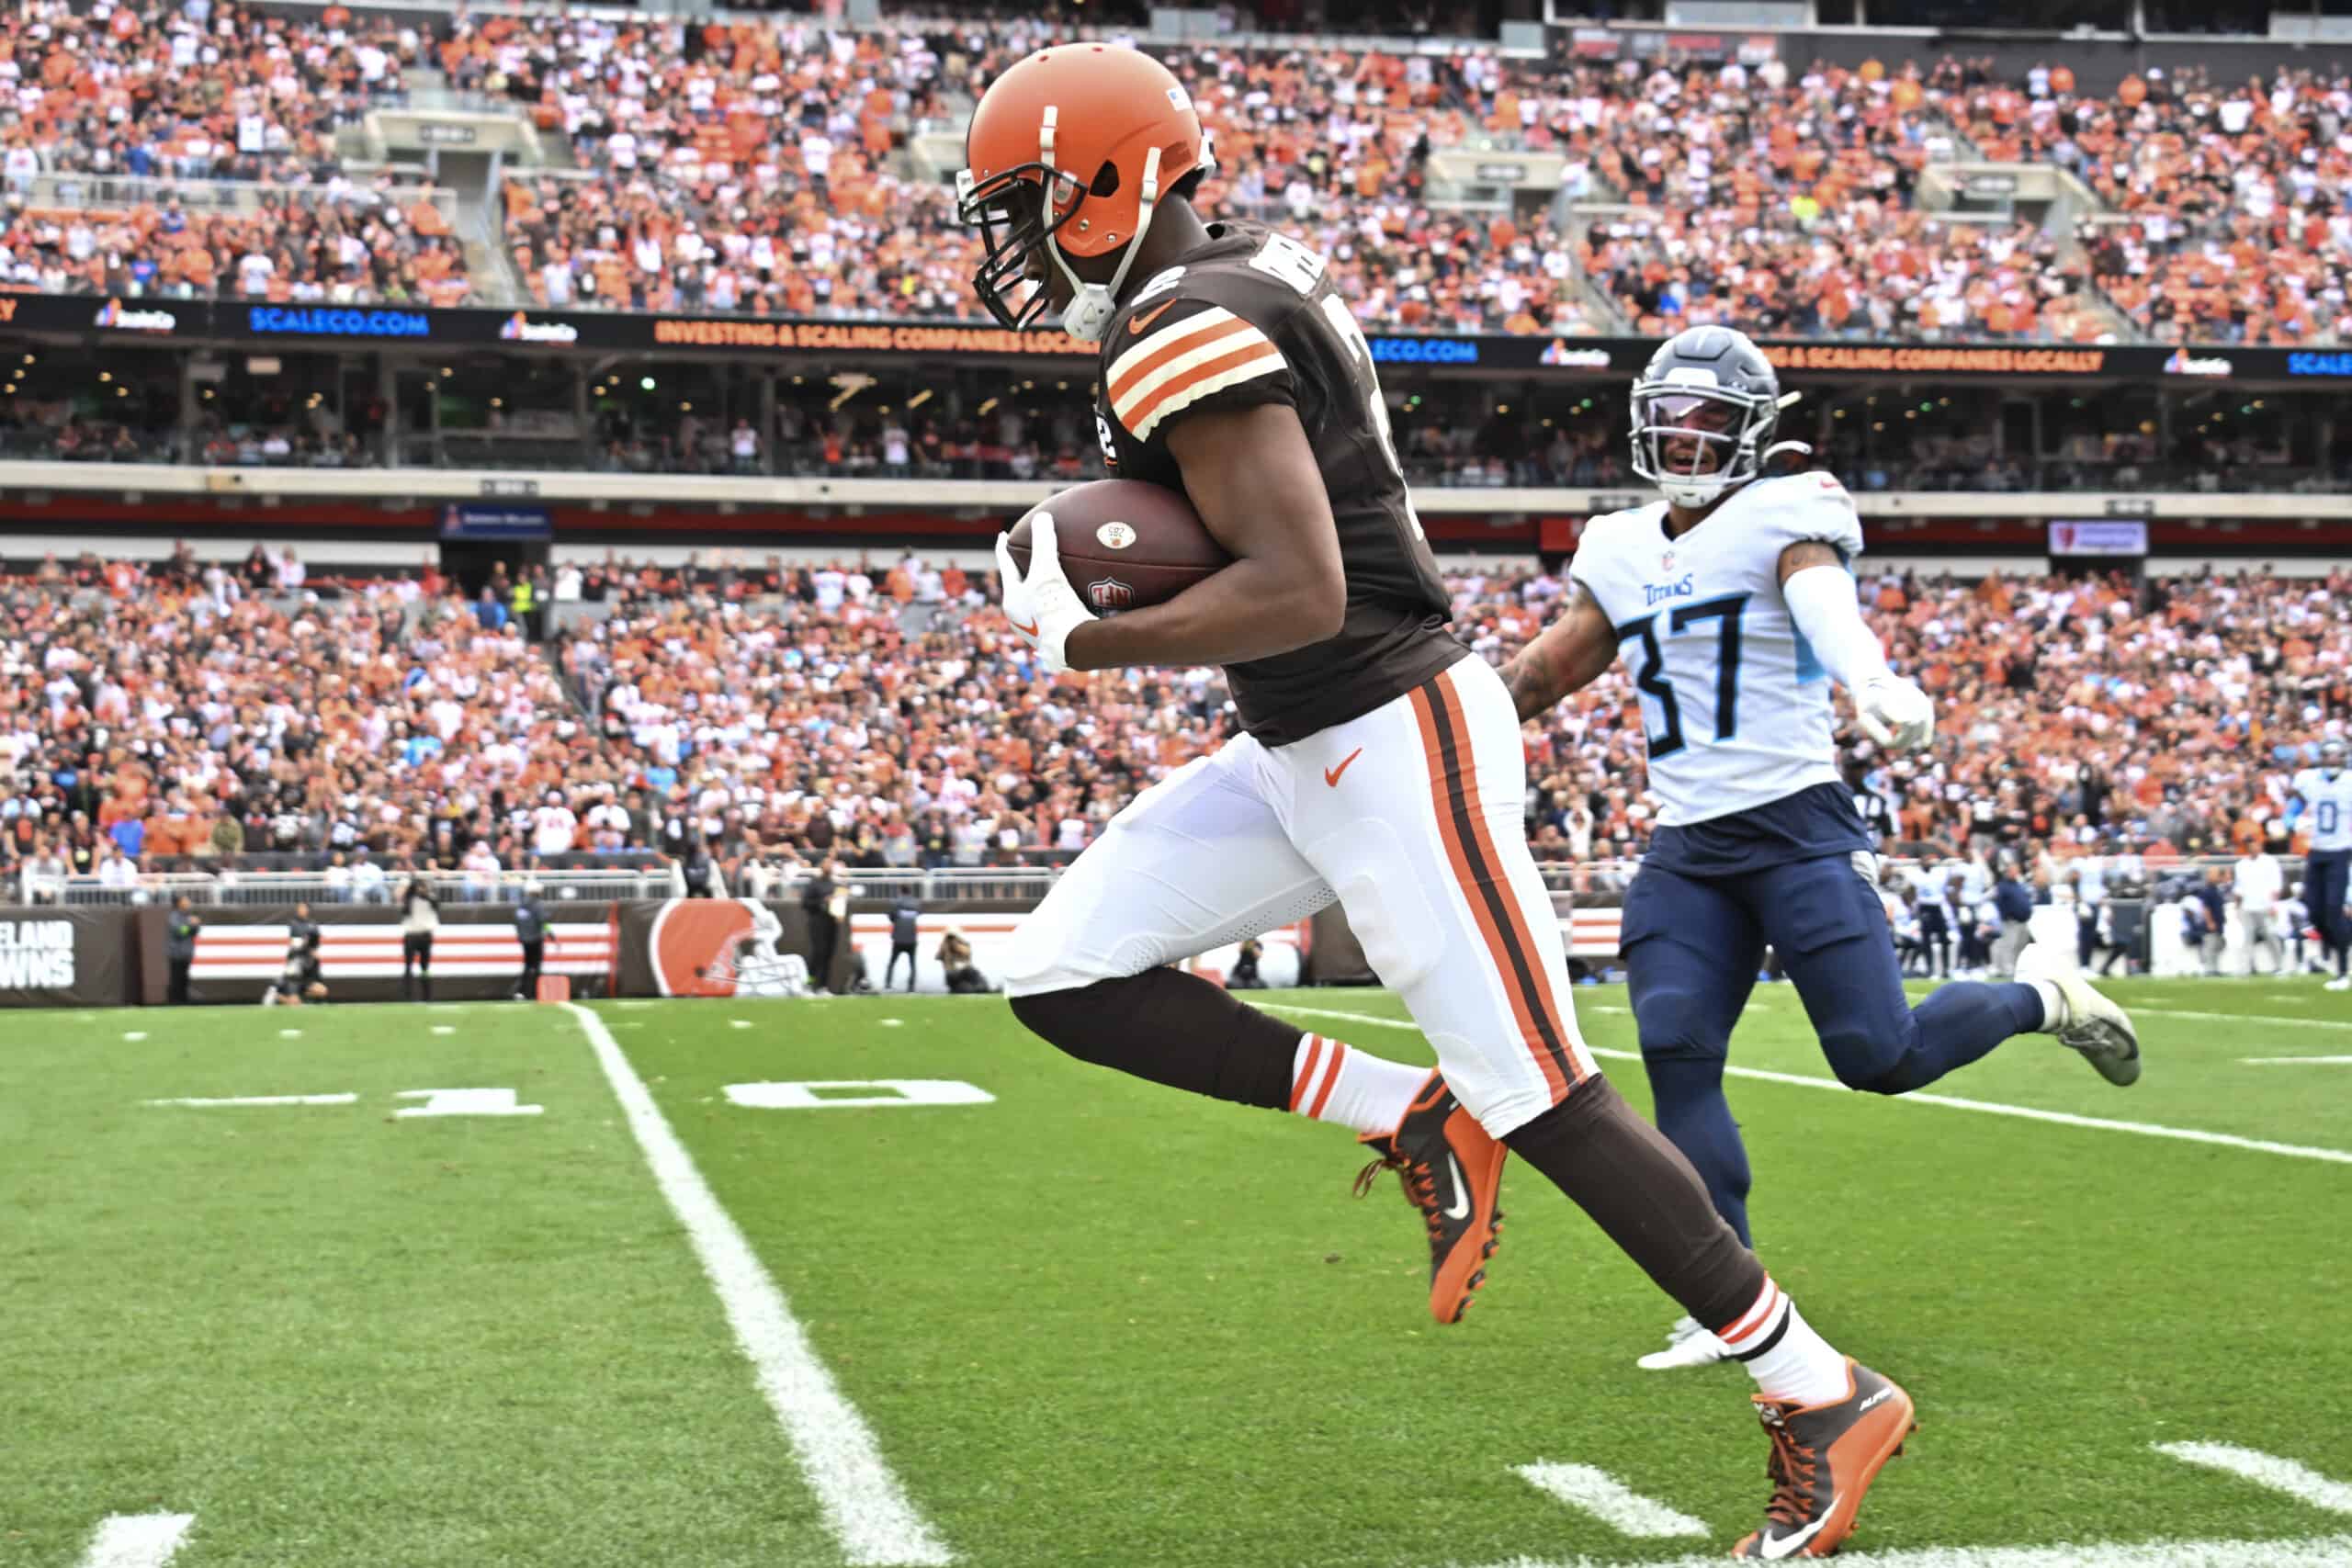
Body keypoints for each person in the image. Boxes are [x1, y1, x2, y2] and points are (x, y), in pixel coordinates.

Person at [967, 56, 1911, 1557]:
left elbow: (1300, 585)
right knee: (1058, 968)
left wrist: (1093, 634)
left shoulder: (1175, 324)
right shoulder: (1249, 267)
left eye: (1024, 205)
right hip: (1303, 744)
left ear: (1112, 176)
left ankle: (1818, 1391)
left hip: (1392, 734)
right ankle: (1413, 1113)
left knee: (1549, 1092)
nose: (1014, 246)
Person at [1496, 325, 2140, 1383]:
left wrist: (1871, 681)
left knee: (1876, 1057)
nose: (1685, 437)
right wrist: (1431, 720)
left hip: (1795, 827)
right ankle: (1728, 1295)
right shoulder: (1614, 544)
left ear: (1751, 433)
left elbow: (1818, 598)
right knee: (1674, 1048)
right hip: (1687, 844)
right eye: (1671, 416)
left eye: (1708, 420)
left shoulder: (1788, 510)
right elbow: (1543, 671)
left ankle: (2044, 1000)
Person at [2283, 739, 2352, 990]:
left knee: (2334, 909)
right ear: (2322, 757)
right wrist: (2292, 822)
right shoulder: (2309, 780)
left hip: (2340, 852)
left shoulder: (2349, 782)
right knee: (2313, 912)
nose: (2333, 760)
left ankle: (2343, 970)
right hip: (2316, 852)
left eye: (2337, 756)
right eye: (2329, 755)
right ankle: (2334, 952)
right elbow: (2292, 809)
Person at [2233, 844, 2285, 976]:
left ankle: (2279, 965)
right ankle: (2247, 967)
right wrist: (2237, 907)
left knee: (2270, 935)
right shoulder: (2241, 865)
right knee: (2248, 938)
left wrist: (2274, 904)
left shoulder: (2269, 862)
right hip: (2247, 906)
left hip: (2265, 906)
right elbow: (2238, 888)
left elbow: (2276, 884)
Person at [266, 901, 325, 1005]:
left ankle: (301, 999)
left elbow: (315, 977)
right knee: (294, 1002)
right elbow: (290, 977)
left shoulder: (314, 958)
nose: (301, 910)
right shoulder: (295, 955)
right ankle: (276, 996)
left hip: (305, 981)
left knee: (322, 990)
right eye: (299, 908)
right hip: (294, 980)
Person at [399, 864, 439, 1002]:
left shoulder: (431, 898)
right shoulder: (410, 899)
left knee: (425, 967)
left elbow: (436, 904)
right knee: (408, 966)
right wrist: (412, 887)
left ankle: (427, 996)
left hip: (425, 935)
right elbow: (404, 909)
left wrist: (424, 893)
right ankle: (407, 996)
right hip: (411, 936)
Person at [800, 859, 842, 994]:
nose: (829, 866)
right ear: (821, 866)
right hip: (817, 923)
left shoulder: (834, 885)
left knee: (828, 955)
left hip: (831, 923)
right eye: (826, 863)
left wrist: (839, 910)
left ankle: (823, 986)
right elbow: (805, 903)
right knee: (818, 954)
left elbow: (839, 902)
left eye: (831, 863)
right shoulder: (814, 884)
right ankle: (808, 983)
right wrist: (822, 901)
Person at [165, 893, 201, 1005]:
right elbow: (180, 931)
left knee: (184, 978)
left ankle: (184, 1001)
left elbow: (194, 932)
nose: (188, 902)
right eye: (185, 900)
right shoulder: (174, 916)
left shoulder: (187, 916)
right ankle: (174, 1001)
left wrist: (195, 925)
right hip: (176, 953)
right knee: (176, 978)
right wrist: (191, 924)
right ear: (179, 903)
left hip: (186, 953)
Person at [514, 882, 547, 1000]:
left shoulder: (521, 905)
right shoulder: (538, 905)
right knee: (537, 966)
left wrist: (522, 936)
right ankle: (535, 991)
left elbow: (517, 922)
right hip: (536, 938)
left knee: (527, 966)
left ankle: (522, 991)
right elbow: (543, 919)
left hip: (525, 940)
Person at [937, 926, 990, 994]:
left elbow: (967, 952)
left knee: (971, 975)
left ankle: (982, 987)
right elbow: (938, 957)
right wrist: (946, 946)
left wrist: (955, 945)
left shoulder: (963, 944)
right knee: (964, 985)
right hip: (952, 973)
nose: (951, 939)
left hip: (965, 973)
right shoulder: (944, 946)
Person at [887, 893, 922, 992]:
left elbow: (891, 917)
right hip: (911, 938)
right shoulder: (916, 903)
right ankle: (911, 987)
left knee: (892, 963)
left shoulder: (896, 903)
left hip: (899, 938)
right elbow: (919, 913)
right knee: (912, 964)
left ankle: (888, 984)